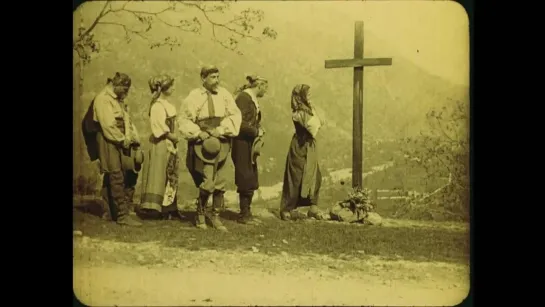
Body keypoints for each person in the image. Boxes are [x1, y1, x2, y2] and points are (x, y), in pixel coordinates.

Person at [179, 65, 242, 231]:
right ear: (203, 78)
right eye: (213, 77)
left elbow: (235, 115)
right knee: (208, 181)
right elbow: (184, 119)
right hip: (204, 143)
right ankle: (200, 212)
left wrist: (221, 130)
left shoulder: (224, 94)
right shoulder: (194, 96)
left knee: (220, 180)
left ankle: (215, 215)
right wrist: (199, 133)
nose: (217, 81)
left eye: (218, 77)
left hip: (221, 140)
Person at [83, 72, 143, 226]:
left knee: (117, 174)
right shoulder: (103, 99)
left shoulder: (118, 100)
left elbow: (126, 119)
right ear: (116, 85)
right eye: (124, 89)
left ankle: (108, 212)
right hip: (108, 139)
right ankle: (122, 216)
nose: (126, 93)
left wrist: (130, 137)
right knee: (115, 174)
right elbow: (108, 125)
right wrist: (122, 139)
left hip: (119, 140)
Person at [279, 84, 325, 221]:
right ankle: (287, 208)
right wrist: (314, 112)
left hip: (310, 147)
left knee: (315, 175)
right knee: (296, 176)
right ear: (301, 97)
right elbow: (314, 128)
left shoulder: (308, 110)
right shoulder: (298, 113)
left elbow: (321, 121)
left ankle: (313, 207)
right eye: (308, 95)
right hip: (299, 147)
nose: (310, 98)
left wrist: (312, 107)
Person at [139, 74, 181, 220]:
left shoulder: (168, 105)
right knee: (159, 174)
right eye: (171, 85)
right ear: (164, 88)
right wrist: (172, 136)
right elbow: (159, 128)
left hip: (170, 143)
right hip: (160, 144)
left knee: (171, 174)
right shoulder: (157, 105)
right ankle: (154, 209)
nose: (174, 88)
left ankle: (169, 207)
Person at [231, 75, 269, 225]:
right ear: (259, 86)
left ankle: (247, 212)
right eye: (265, 87)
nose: (266, 91)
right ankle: (244, 214)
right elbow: (239, 123)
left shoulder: (250, 99)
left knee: (250, 175)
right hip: (241, 142)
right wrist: (255, 131)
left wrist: (258, 129)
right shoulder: (244, 99)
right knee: (245, 175)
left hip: (248, 143)